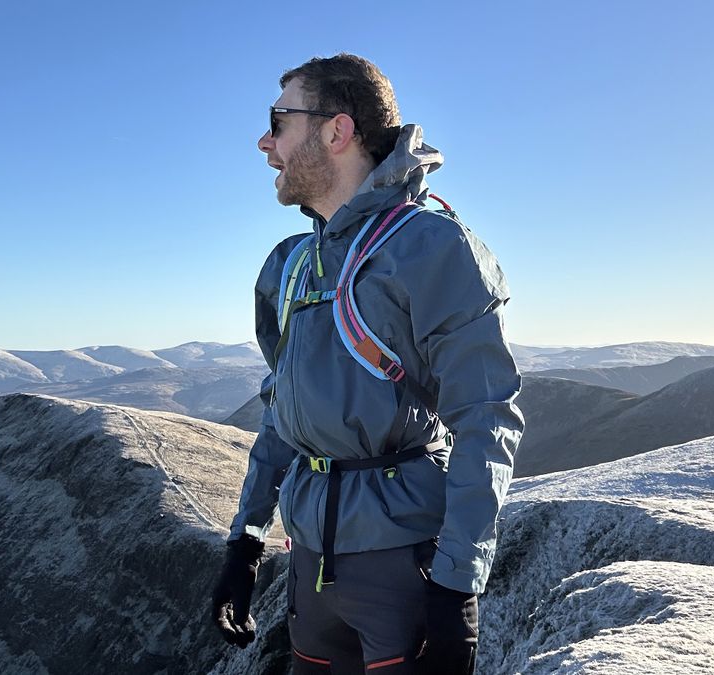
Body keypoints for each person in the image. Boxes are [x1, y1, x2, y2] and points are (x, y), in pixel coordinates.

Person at [211, 53, 524, 674]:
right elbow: (285, 411)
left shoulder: (429, 246)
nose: (263, 141)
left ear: (337, 130)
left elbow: (486, 420)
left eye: (278, 121)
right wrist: (245, 542)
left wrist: (457, 588)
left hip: (402, 564)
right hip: (310, 568)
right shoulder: (292, 264)